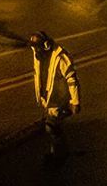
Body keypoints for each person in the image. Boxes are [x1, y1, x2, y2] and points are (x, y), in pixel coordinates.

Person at [29, 31, 80, 162]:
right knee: (53, 128)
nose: (35, 51)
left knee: (51, 127)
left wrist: (75, 102)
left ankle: (59, 156)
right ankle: (58, 152)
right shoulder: (39, 54)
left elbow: (72, 79)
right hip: (48, 98)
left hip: (59, 99)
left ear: (45, 46)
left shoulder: (60, 58)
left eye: (36, 48)